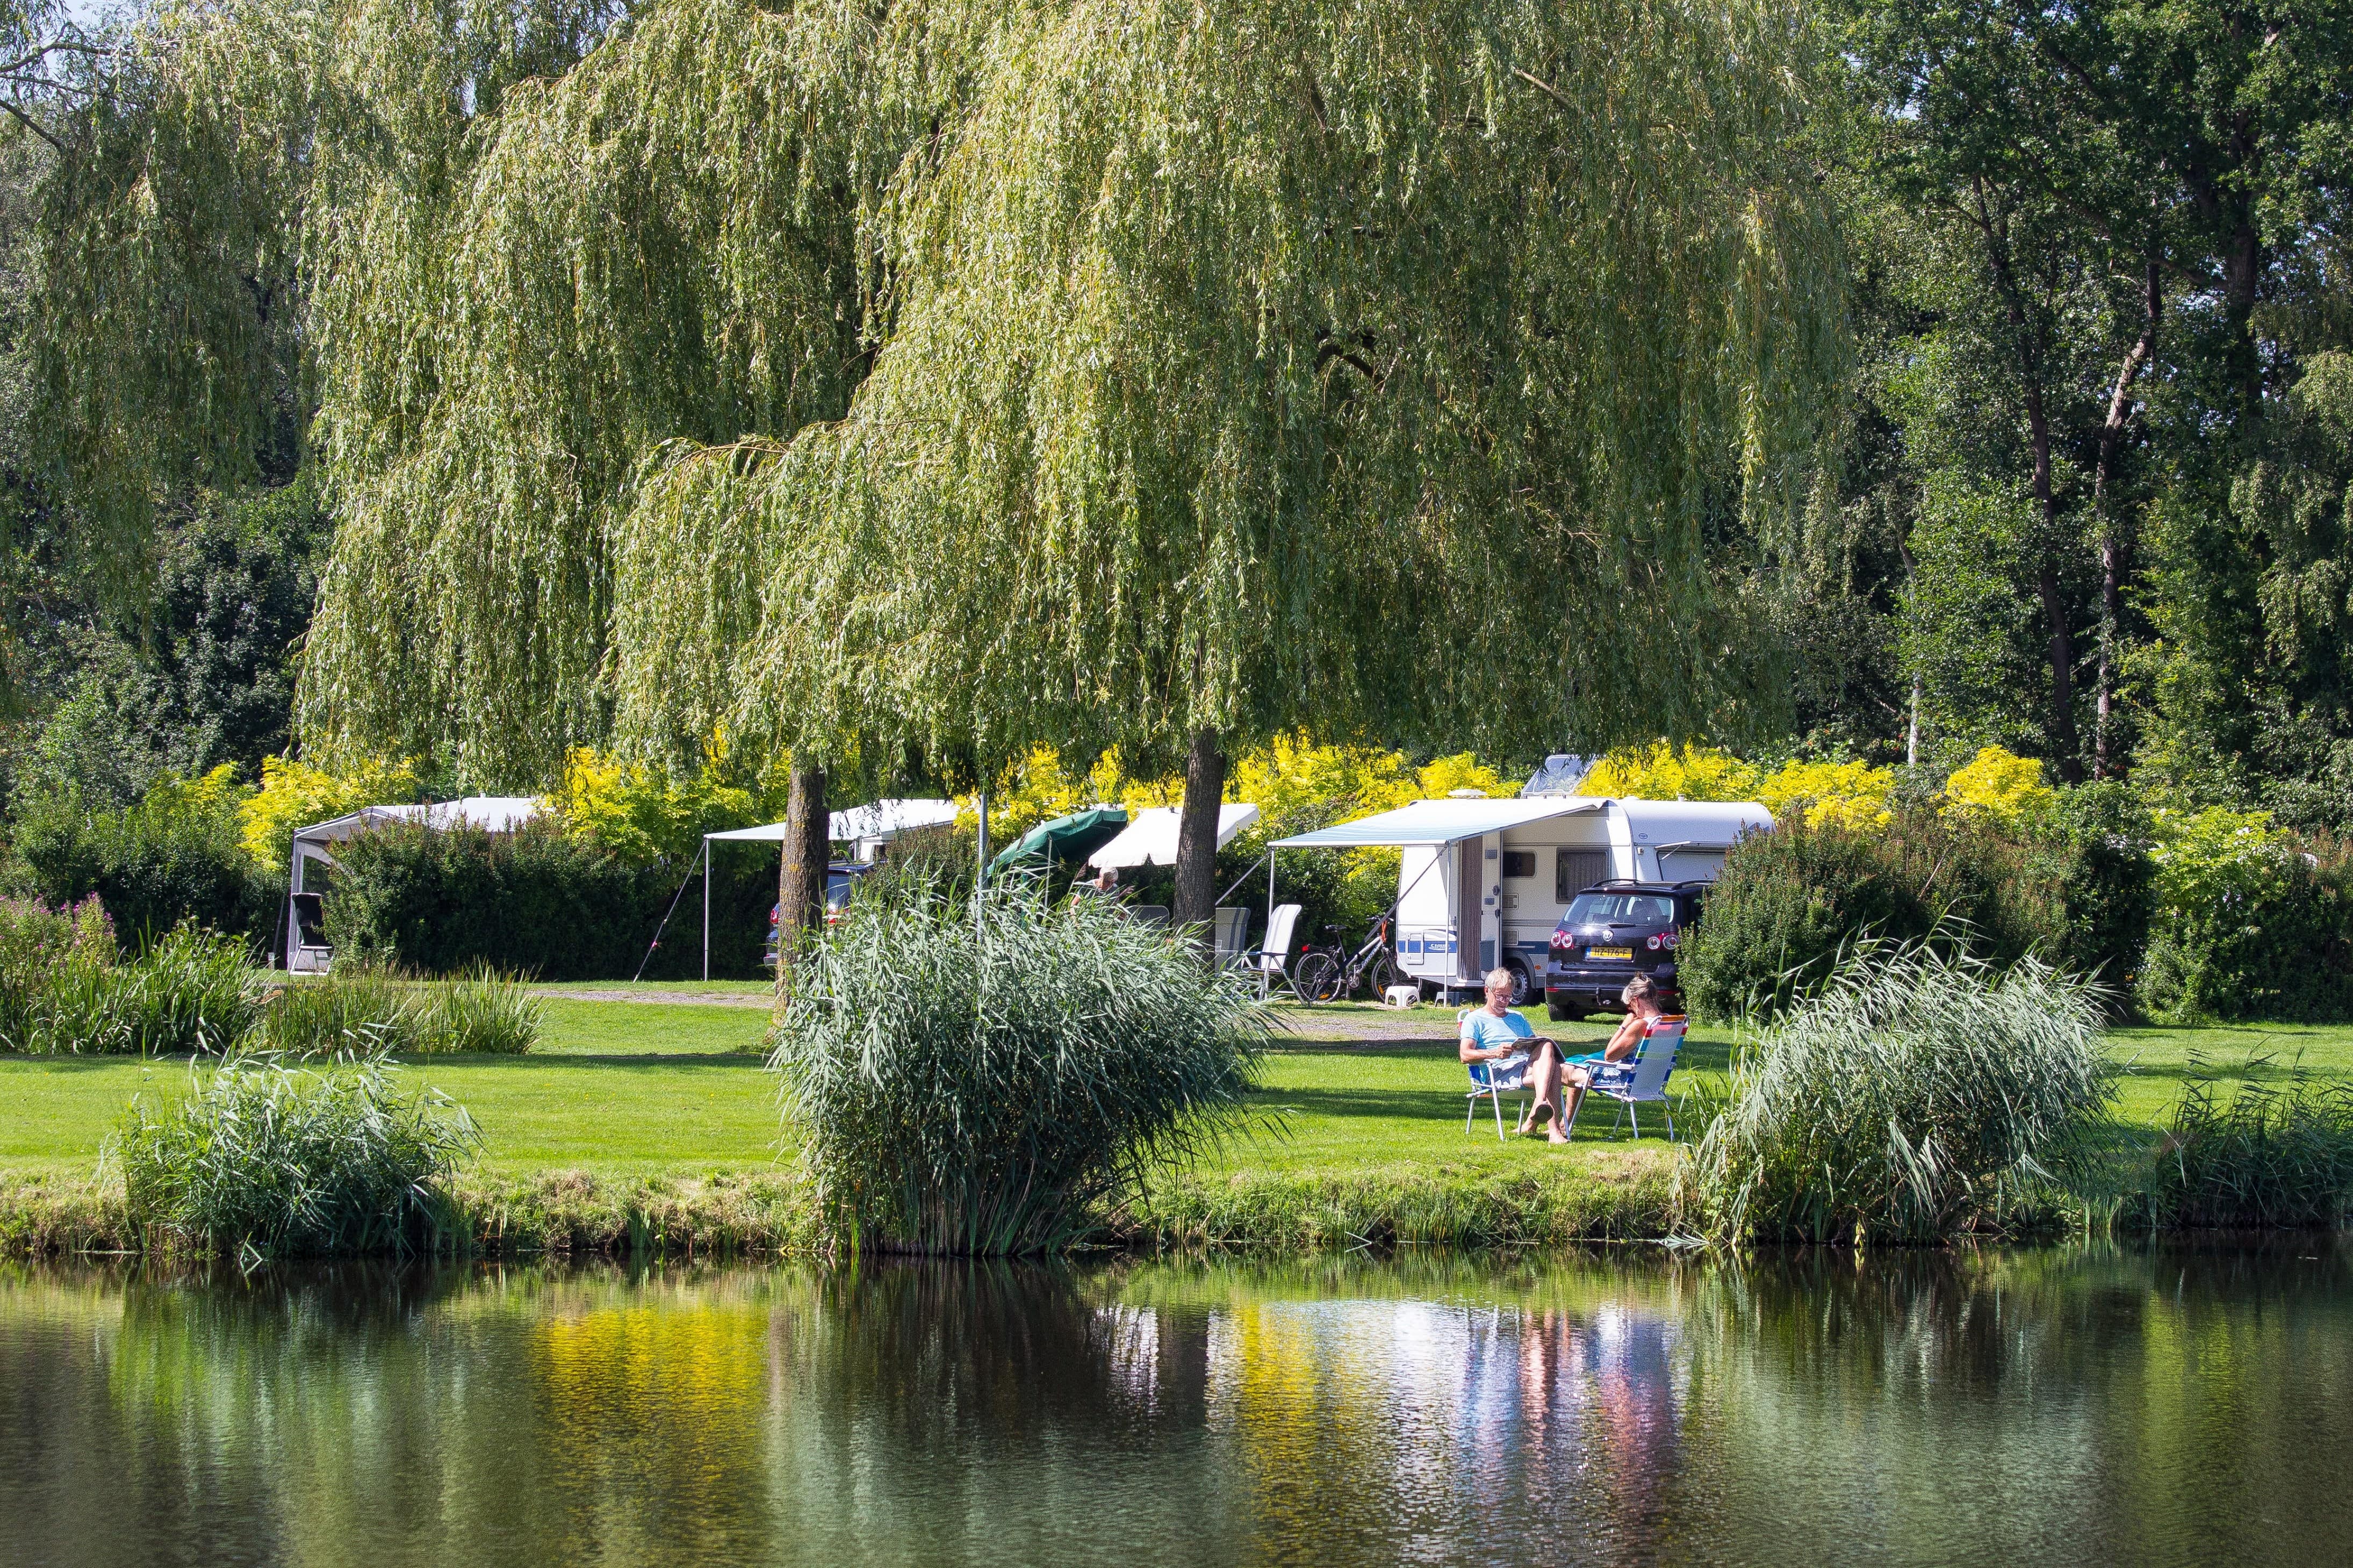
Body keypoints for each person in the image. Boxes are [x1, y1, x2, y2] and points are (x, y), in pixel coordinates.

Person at [1459, 967, 1572, 1143]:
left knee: (1547, 1046)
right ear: (1487, 991)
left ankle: (1542, 1104)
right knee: (1554, 1072)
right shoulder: (1475, 1020)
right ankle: (1554, 1131)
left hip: (1524, 1069)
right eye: (1500, 996)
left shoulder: (1518, 1017)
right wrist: (1494, 1053)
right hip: (1497, 1073)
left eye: (1508, 997)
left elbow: (1538, 1048)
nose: (1505, 1001)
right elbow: (1464, 1055)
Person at [1558, 974, 1665, 1133]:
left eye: (1630, 1006)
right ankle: (1563, 1125)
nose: (1631, 1010)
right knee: (1579, 1063)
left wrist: (1624, 1026)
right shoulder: (1668, 1022)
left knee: (1560, 1070)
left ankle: (1548, 1125)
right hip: (1652, 1081)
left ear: (1636, 1000)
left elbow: (1610, 1056)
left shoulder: (1640, 1025)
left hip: (1625, 1082)